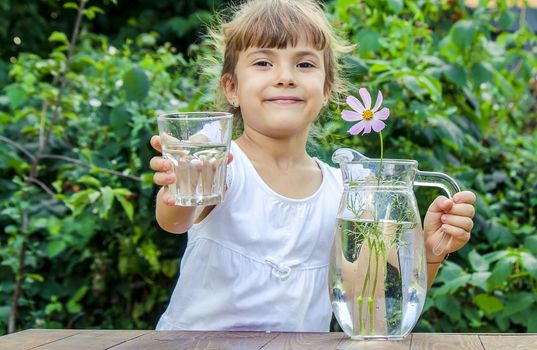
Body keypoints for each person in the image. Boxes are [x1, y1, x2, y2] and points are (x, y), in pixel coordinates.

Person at [149, 0, 476, 332]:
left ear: (326, 90)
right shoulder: (222, 164)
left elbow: (372, 315)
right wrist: (184, 177)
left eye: (304, 65)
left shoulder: (345, 195)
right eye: (263, 62)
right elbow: (175, 220)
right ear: (231, 87)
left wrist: (429, 253)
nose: (286, 77)